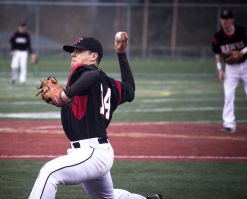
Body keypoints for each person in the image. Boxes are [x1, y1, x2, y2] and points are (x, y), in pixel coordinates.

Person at [29, 33, 162, 199]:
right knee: (106, 198)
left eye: (79, 51)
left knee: (49, 173)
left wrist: (65, 95)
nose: (73, 54)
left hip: (92, 153)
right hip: (95, 152)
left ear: (93, 56)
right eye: (73, 51)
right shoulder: (110, 84)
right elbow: (130, 89)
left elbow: (93, 75)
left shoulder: (85, 72)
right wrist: (121, 54)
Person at [211, 9, 247, 133]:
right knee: (228, 95)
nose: (225, 21)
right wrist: (219, 69)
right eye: (222, 19)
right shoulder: (218, 37)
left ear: (232, 19)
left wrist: (241, 52)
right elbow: (217, 53)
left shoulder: (242, 32)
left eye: (227, 19)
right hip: (231, 69)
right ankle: (229, 125)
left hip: (246, 65)